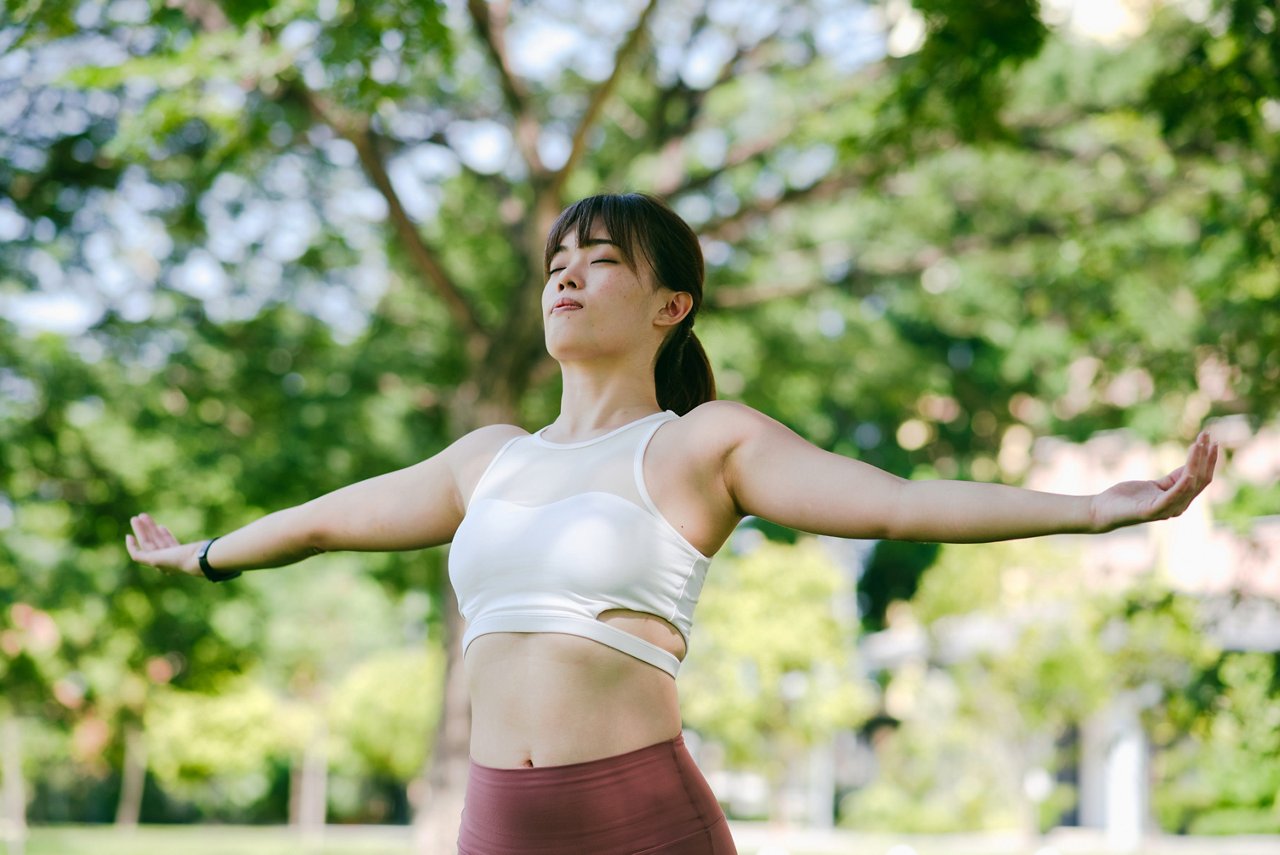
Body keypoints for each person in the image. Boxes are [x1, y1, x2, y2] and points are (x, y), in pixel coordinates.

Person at [127, 192, 1219, 854]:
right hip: (496, 825)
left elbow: (892, 500)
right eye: (559, 261)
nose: (567, 275)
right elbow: (327, 520)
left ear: (669, 306)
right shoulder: (487, 461)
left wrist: (1090, 510)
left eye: (600, 260)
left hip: (636, 823)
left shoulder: (700, 445)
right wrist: (207, 555)